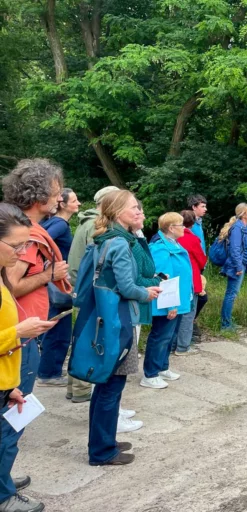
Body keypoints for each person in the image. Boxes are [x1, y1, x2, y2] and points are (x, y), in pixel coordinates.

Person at [1, 159, 71, 503]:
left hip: (19, 333)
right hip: (17, 336)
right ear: (39, 193)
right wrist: (50, 274)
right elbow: (11, 284)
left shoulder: (20, 227)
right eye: (56, 192)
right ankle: (3, 490)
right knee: (11, 417)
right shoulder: (23, 234)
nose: (59, 199)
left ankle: (4, 476)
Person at [88, 191, 162, 465]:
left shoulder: (104, 239)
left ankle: (103, 441)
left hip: (106, 318)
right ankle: (102, 451)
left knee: (105, 383)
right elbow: (126, 286)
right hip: (120, 319)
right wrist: (147, 293)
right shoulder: (120, 242)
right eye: (134, 207)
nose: (138, 210)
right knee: (112, 384)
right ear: (119, 213)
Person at [0, 203, 58, 512]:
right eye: (16, 245)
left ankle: (3, 484)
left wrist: (9, 387)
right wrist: (19, 331)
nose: (23, 253)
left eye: (27, 244)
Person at [66, 185, 120, 403]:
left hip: (81, 286)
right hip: (92, 290)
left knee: (81, 335)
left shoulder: (86, 222)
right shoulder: (96, 225)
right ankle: (82, 388)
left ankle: (75, 387)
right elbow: (98, 264)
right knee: (91, 337)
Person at [142, 213, 194, 389]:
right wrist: (170, 304)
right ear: (171, 228)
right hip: (168, 301)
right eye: (181, 225)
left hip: (177, 300)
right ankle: (150, 374)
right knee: (160, 336)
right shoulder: (160, 247)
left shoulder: (173, 243)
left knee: (169, 336)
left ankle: (163, 367)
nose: (184, 228)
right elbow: (164, 277)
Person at [37, 188, 80, 386]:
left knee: (54, 324)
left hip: (52, 281)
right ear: (62, 204)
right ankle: (49, 374)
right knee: (59, 327)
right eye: (74, 200)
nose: (78, 203)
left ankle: (48, 369)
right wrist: (48, 265)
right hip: (57, 283)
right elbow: (39, 241)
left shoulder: (51, 222)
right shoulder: (60, 225)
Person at [174, 210, 208, 355]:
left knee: (174, 312)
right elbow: (202, 260)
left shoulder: (171, 238)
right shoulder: (192, 239)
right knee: (188, 313)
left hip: (174, 279)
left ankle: (172, 344)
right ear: (193, 223)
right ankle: (183, 346)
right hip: (190, 280)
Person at [219, 203, 247, 331]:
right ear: (244, 214)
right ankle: (225, 325)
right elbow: (235, 249)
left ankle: (227, 322)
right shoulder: (238, 228)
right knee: (231, 294)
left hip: (240, 264)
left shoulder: (243, 227)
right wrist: (239, 267)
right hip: (236, 266)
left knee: (233, 293)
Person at [188, 194, 208, 343]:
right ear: (194, 207)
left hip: (200, 264)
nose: (205, 209)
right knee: (199, 296)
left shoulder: (199, 223)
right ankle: (189, 326)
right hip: (193, 265)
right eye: (202, 206)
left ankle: (191, 325)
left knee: (200, 296)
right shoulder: (190, 223)